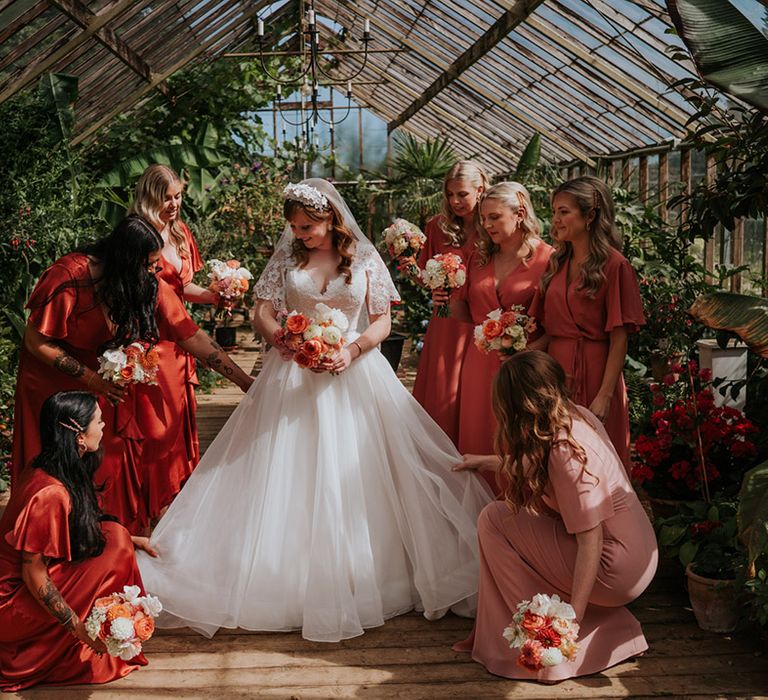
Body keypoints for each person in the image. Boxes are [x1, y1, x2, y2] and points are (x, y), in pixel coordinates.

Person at [136, 179, 493, 643]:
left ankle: (370, 574)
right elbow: (261, 311)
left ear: (330, 220)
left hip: (356, 372)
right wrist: (283, 338)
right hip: (292, 374)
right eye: (294, 227)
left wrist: (353, 349)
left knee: (358, 471)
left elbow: (384, 320)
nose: (299, 234)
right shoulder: (287, 258)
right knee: (285, 472)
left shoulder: (364, 258)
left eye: (307, 227)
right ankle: (279, 574)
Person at [11, 216, 254, 533]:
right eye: (151, 264)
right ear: (126, 262)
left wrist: (245, 383)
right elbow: (35, 340)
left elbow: (191, 336)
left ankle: (106, 534)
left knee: (107, 455)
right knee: (56, 459)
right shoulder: (70, 275)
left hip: (103, 378)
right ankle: (49, 535)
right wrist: (91, 379)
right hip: (50, 379)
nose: (157, 271)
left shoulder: (147, 284)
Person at [453, 351, 658, 682]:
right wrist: (488, 462)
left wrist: (570, 620)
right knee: (507, 516)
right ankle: (587, 623)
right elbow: (539, 465)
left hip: (615, 567)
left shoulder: (564, 451)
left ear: (518, 403)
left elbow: (590, 539)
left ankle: (538, 632)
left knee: (494, 520)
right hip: (640, 554)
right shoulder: (575, 415)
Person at [0, 391, 158, 691]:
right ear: (78, 435)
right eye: (98, 421)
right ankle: (84, 641)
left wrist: (130, 536)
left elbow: (80, 525)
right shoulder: (50, 493)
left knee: (116, 536)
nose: (104, 425)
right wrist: (77, 629)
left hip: (18, 588)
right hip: (9, 604)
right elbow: (32, 573)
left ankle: (108, 627)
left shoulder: (47, 467)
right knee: (116, 547)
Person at [444, 182, 552, 494]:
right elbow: (462, 312)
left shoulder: (549, 259)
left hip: (527, 369)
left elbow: (556, 324)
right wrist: (446, 288)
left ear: (519, 214)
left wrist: (527, 349)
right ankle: (479, 517)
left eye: (494, 218)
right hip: (479, 365)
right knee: (478, 436)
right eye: (484, 219)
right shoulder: (478, 259)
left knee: (520, 439)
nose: (486, 225)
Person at [531, 176, 644, 471]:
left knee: (596, 461)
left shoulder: (615, 265)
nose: (555, 219)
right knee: (555, 459)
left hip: (596, 374)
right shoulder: (557, 263)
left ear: (590, 215)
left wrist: (605, 396)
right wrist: (521, 354)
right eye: (554, 211)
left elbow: (620, 338)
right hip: (554, 374)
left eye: (564, 211)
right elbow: (553, 329)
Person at [129, 165, 219, 522]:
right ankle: (153, 509)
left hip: (181, 339)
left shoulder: (181, 233)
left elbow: (182, 290)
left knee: (179, 425)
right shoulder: (138, 235)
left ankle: (175, 513)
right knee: (158, 433)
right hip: (153, 342)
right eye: (166, 197)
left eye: (178, 195)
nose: (174, 203)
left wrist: (215, 296)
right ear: (150, 196)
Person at [411, 160, 489, 444]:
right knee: (443, 393)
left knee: (476, 394)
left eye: (462, 194)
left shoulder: (492, 224)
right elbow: (425, 275)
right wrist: (422, 279)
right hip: (447, 321)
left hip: (482, 318)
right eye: (450, 194)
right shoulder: (437, 226)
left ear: (480, 190)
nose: (455, 201)